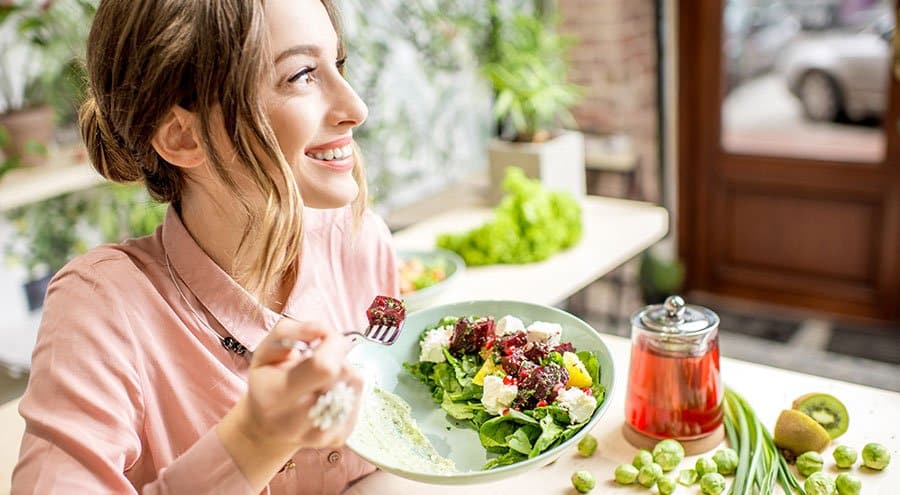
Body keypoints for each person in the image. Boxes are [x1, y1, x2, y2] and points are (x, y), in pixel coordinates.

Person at [11, 0, 398, 493]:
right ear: (182, 136)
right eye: (301, 74)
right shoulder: (102, 308)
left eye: (336, 65)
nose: (355, 108)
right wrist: (255, 439)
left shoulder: (361, 243)